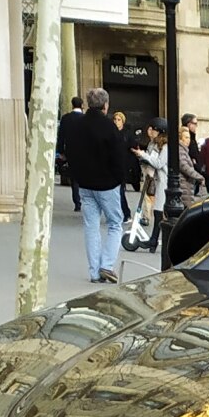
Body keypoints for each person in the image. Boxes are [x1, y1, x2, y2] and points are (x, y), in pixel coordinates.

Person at [66, 86, 131, 283]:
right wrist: (121, 179)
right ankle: (106, 265)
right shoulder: (109, 127)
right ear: (105, 105)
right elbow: (118, 156)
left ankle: (94, 271)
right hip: (107, 184)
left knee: (91, 226)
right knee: (114, 224)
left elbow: (70, 151)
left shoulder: (77, 126)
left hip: (85, 183)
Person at [55, 95, 86, 211]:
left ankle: (77, 202)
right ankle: (85, 200)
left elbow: (61, 136)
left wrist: (60, 152)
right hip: (84, 151)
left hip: (70, 151)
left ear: (72, 105)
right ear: (82, 105)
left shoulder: (65, 118)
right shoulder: (85, 118)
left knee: (74, 179)